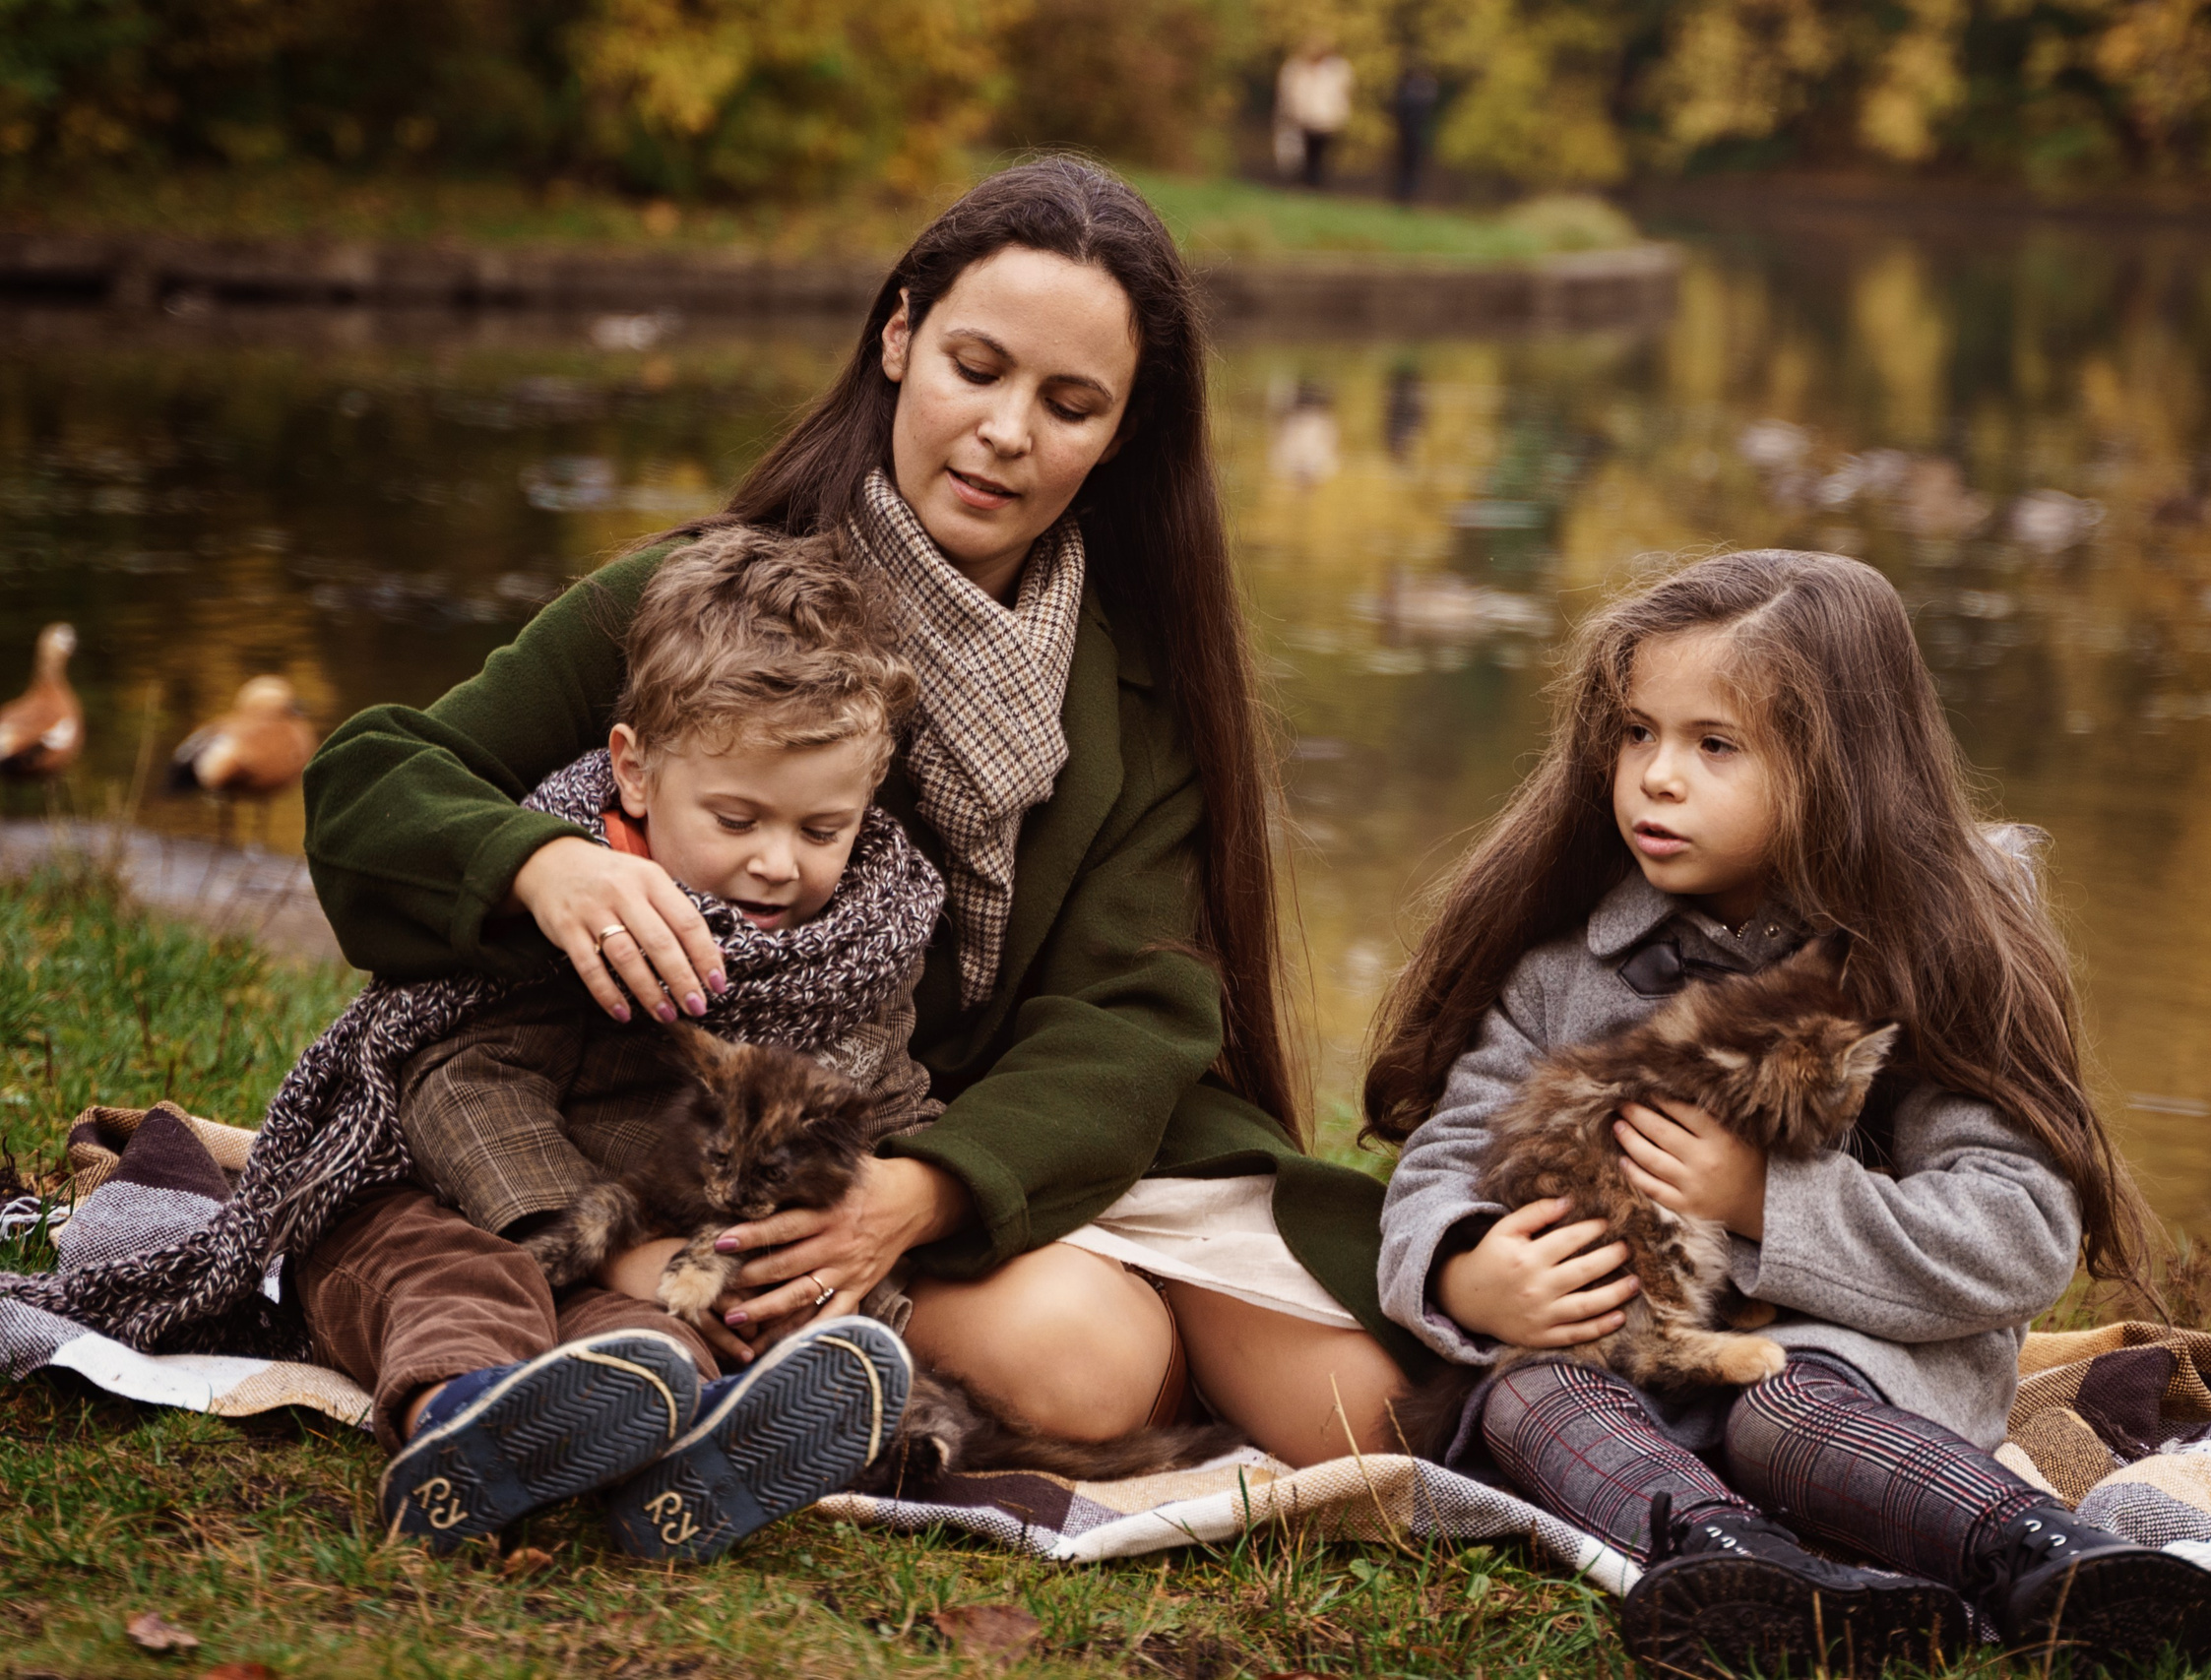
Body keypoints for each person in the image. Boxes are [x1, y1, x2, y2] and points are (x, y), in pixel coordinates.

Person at [300, 158, 1425, 1507]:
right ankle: (752, 1349)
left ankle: (902, 1360)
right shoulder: (708, 601)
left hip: (995, 1140)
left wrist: (929, 1188)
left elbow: (1134, 1014)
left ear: (1122, 433)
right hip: (715, 1136)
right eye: (976, 368)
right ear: (898, 338)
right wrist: (544, 864)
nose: (1005, 432)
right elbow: (373, 780)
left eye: (1069, 404)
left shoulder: (1142, 677)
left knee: (1366, 1417)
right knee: (1092, 1364)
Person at [1365, 551, 2211, 1677]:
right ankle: (1743, 1568)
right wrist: (1463, 1268)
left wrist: (1764, 1201)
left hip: (1861, 1369)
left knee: (1779, 1409)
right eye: (1636, 733)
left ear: (1839, 766)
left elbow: (2015, 1232)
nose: (1656, 777)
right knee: (1524, 1397)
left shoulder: (1928, 960)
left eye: (1714, 745)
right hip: (1634, 1369)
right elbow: (1445, 1158)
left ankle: (2058, 1563)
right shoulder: (1563, 974)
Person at [315, 529, 938, 1560]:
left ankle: (684, 1450)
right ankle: (458, 1422)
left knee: (655, 1341)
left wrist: (893, 1195)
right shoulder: (586, 896)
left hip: (658, 1257)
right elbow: (461, 1077)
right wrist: (595, 1238)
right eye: (736, 819)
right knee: (457, 1277)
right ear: (636, 772)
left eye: (821, 831)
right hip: (461, 1198)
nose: (778, 863)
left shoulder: (861, 940)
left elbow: (884, 1091)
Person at [1276, 36, 1354, 190]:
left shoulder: (1336, 69)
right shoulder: (1295, 68)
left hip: (1324, 119)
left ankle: (1315, 181)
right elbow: (1289, 93)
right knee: (1300, 151)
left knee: (1319, 152)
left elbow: (1342, 93)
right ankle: (1305, 181)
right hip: (1303, 117)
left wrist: (1339, 114)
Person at [1390, 62, 1438, 202]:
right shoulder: (1422, 89)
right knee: (1408, 164)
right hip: (1410, 133)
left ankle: (1406, 192)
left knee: (1411, 164)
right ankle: (1404, 192)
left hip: (1413, 133)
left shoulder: (1415, 89)